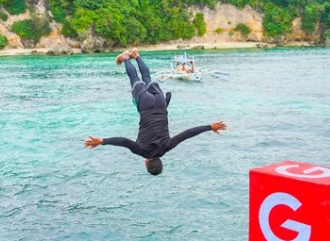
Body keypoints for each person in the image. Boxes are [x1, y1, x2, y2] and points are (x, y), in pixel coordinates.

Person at [84, 49, 227, 174]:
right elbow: (124, 141)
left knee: (147, 78)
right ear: (146, 163)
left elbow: (187, 134)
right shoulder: (142, 151)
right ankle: (126, 58)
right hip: (145, 106)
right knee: (134, 78)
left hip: (160, 104)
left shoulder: (167, 147)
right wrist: (102, 141)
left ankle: (137, 56)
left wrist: (210, 127)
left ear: (160, 161)